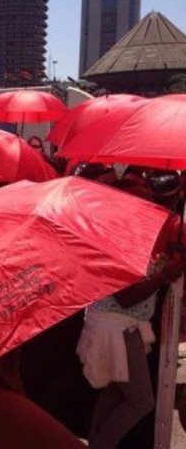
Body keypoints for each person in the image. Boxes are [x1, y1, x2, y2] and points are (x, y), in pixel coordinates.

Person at [76, 178, 183, 449]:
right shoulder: (114, 238)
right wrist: (164, 275)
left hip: (124, 327)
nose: (146, 204)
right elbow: (125, 297)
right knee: (141, 400)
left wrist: (167, 260)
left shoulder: (134, 233)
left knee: (115, 393)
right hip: (116, 328)